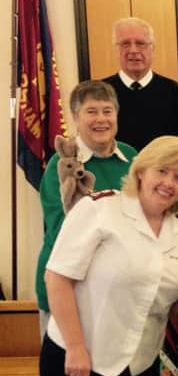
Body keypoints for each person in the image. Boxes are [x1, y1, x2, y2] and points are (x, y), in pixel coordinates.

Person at [39, 136, 178, 376]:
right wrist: (75, 348)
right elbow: (57, 278)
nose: (169, 182)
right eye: (162, 171)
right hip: (80, 359)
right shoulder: (99, 209)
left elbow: (170, 309)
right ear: (141, 171)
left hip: (138, 369)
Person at [35, 80, 138, 340]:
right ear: (76, 117)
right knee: (69, 370)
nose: (101, 119)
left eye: (107, 111)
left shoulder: (132, 157)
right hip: (67, 286)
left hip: (116, 287)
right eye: (91, 111)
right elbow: (63, 229)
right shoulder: (61, 165)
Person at [103, 17, 178, 160]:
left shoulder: (174, 92)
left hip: (163, 177)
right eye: (125, 44)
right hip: (114, 178)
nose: (133, 50)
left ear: (152, 49)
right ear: (116, 49)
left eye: (141, 44)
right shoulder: (100, 92)